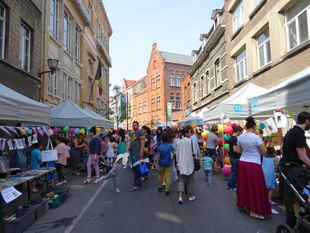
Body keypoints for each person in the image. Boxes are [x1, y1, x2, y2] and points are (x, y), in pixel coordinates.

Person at [236, 117, 271, 219]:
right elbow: (264, 152)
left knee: (245, 186)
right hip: (254, 164)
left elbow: (238, 151)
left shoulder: (240, 137)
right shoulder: (256, 138)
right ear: (254, 126)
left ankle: (247, 206)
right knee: (255, 187)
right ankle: (253, 210)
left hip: (243, 162)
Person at [280, 111, 310, 228]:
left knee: (289, 195)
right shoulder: (299, 134)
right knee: (303, 195)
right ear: (307, 121)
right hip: (294, 169)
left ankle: (291, 221)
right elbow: (303, 157)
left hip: (286, 167)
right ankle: (301, 220)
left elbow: (282, 150)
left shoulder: (290, 132)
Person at [176, 126, 197, 204]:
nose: (190, 133)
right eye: (189, 132)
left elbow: (177, 154)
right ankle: (190, 196)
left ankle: (180, 197)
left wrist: (177, 163)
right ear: (186, 133)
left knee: (181, 180)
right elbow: (194, 153)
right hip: (190, 163)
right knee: (190, 180)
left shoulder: (179, 142)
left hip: (181, 163)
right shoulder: (191, 141)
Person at [127, 121, 145, 191]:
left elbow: (143, 142)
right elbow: (131, 142)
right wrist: (126, 151)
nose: (133, 126)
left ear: (138, 125)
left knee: (137, 169)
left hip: (137, 154)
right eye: (133, 125)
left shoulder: (140, 132)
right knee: (135, 169)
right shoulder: (133, 133)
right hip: (133, 153)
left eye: (135, 125)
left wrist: (141, 152)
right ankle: (136, 184)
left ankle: (138, 185)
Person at [227, 126, 244, 191]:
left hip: (232, 156)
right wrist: (241, 151)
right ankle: (230, 185)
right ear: (238, 131)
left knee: (234, 171)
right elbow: (235, 150)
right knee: (235, 172)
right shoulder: (235, 139)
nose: (241, 134)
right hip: (235, 157)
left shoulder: (231, 138)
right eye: (241, 132)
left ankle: (232, 185)